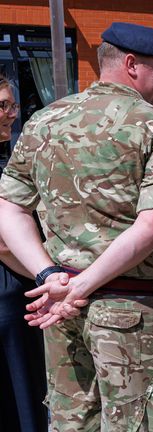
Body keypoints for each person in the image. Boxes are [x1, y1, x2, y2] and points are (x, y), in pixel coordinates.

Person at [0, 22, 153, 431]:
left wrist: (50, 275)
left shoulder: (44, 120)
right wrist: (77, 286)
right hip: (131, 309)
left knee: (72, 422)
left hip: (60, 307)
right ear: (132, 65)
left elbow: (8, 209)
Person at [0, 75, 48, 432]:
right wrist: (48, 275)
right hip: (7, 304)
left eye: (12, 105)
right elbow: (3, 242)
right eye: (2, 105)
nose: (11, 114)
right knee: (20, 405)